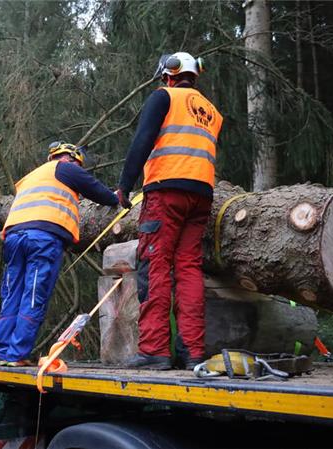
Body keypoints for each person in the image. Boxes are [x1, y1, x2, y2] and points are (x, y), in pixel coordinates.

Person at [115, 52, 223, 370]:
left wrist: (124, 186)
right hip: (201, 195)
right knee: (189, 269)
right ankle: (192, 352)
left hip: (166, 191)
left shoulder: (164, 97)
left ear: (169, 74)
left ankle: (155, 350)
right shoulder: (211, 111)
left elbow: (142, 141)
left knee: (155, 265)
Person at [0, 142, 119, 366]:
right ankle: (17, 354)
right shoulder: (66, 167)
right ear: (71, 158)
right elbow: (99, 192)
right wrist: (116, 198)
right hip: (42, 238)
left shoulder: (32, 176)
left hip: (14, 237)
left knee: (12, 294)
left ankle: (4, 352)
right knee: (34, 294)